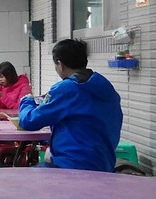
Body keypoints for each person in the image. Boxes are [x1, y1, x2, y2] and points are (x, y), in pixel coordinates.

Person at [19, 39, 122, 172]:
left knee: (23, 180)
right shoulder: (105, 86)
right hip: (103, 165)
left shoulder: (67, 88)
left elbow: (29, 121)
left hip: (73, 167)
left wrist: (27, 101)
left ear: (60, 64)